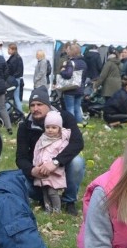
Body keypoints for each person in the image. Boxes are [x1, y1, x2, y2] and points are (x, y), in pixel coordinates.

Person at [15, 87, 86, 216]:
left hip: (61, 167)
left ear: (48, 105)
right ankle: (44, 198)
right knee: (17, 180)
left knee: (77, 162)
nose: (35, 108)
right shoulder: (25, 126)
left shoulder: (65, 117)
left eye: (39, 104)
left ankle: (69, 201)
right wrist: (32, 170)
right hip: (39, 172)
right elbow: (20, 157)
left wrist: (56, 162)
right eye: (32, 105)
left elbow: (77, 142)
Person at [31, 111, 69, 213]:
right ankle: (48, 208)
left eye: (53, 127)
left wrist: (54, 164)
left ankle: (57, 209)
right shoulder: (42, 139)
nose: (50, 130)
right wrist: (36, 164)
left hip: (54, 172)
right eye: (48, 127)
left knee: (52, 191)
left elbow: (62, 155)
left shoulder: (62, 141)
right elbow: (37, 151)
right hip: (42, 170)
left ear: (59, 128)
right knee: (45, 191)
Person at [58, 42, 87, 124]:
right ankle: (79, 123)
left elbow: (68, 75)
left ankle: (71, 124)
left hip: (70, 89)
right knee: (77, 107)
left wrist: (63, 70)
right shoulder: (83, 63)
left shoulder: (70, 62)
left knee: (70, 108)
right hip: (80, 88)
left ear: (71, 52)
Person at [6, 43, 24, 113]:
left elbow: (9, 70)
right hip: (17, 79)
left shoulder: (14, 59)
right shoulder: (18, 57)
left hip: (14, 79)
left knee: (11, 97)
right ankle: (19, 112)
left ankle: (18, 112)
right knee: (16, 97)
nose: (8, 51)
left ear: (13, 49)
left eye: (9, 49)